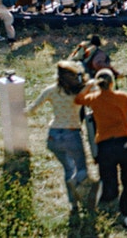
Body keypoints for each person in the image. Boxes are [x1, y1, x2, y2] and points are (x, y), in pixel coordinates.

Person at [74, 69, 127, 228]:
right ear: (112, 83)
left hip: (104, 146)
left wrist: (88, 86)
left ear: (98, 84)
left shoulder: (94, 98)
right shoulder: (122, 96)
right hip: (125, 144)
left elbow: (78, 100)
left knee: (108, 178)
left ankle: (108, 200)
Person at [25, 61, 90, 210]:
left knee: (68, 168)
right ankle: (77, 186)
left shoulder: (51, 90)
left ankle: (73, 204)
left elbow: (32, 109)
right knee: (81, 169)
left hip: (53, 135)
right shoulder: (79, 91)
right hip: (72, 133)